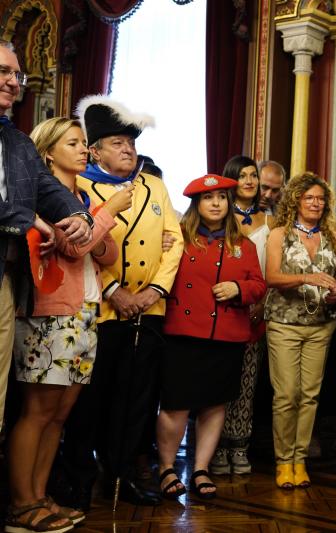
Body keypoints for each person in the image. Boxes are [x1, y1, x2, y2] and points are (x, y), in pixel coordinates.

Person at [4, 117, 127, 533]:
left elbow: (106, 254)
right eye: (73, 143)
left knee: (59, 415)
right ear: (48, 152)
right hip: (50, 309)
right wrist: (107, 214)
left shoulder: (84, 194)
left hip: (86, 310)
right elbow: (74, 248)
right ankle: (21, 503)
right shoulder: (41, 196)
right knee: (37, 412)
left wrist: (98, 226)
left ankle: (40, 497)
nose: (83, 150)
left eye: (84, 143)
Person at [64, 95, 183, 508]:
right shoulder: (79, 186)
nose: (128, 149)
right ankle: (79, 477)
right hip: (102, 309)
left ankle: (124, 474)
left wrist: (155, 291)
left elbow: (175, 240)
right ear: (94, 149)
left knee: (135, 399)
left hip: (148, 309)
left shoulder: (154, 185)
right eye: (117, 143)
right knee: (89, 399)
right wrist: (118, 291)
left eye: (131, 143)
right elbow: (84, 245)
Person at [0, 42, 93, 437]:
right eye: (4, 71)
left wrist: (78, 215)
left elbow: (46, 186)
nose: (12, 81)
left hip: (5, 279)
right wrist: (29, 220)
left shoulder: (19, 142)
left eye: (16, 74)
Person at [156, 174, 266, 500]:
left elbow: (259, 286)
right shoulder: (178, 237)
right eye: (208, 198)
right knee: (175, 404)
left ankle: (201, 467)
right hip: (183, 333)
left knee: (214, 405)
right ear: (196, 204)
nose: (216, 203)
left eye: (221, 197)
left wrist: (239, 289)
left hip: (226, 335)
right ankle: (166, 468)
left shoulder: (243, 244)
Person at [264, 172, 336, 489]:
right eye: (309, 197)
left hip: (321, 325)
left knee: (310, 396)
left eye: (321, 198)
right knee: (287, 395)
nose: (315, 202)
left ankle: (300, 460)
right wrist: (306, 278)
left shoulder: (333, 235)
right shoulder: (278, 234)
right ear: (296, 200)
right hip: (284, 323)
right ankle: (283, 461)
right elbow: (271, 277)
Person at [210, 155, 269, 475]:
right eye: (242, 175)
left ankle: (239, 445)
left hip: (258, 305)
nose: (249, 181)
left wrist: (262, 304)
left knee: (248, 381)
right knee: (221, 381)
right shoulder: (217, 215)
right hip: (222, 306)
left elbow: (273, 269)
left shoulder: (270, 220)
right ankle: (215, 446)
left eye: (253, 175)